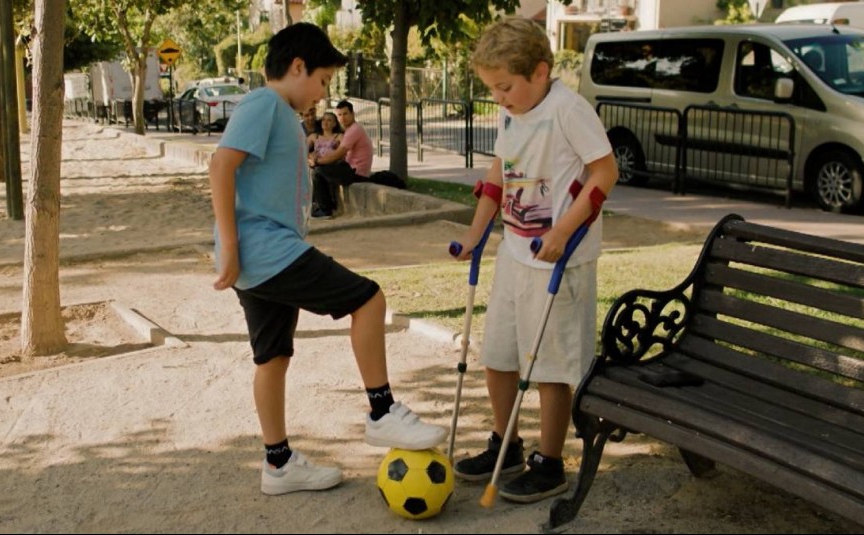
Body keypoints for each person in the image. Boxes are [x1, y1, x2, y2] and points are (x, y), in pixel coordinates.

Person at [208, 22, 447, 497]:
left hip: (262, 255)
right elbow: (220, 165)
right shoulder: (264, 104)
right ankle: (382, 412)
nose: (322, 94)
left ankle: (278, 465)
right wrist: (231, 244)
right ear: (297, 67)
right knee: (369, 300)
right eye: (321, 81)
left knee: (272, 356)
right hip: (266, 249)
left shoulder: (277, 111)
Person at [450, 17, 618, 504]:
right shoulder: (513, 112)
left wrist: (564, 231)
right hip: (515, 255)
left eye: (504, 87)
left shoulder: (569, 109)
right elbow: (498, 175)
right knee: (499, 356)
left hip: (560, 262)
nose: (498, 97)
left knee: (548, 366)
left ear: (540, 72)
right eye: (492, 89)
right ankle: (507, 445)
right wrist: (474, 235)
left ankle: (550, 462)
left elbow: (605, 171)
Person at [310, 99, 373, 218]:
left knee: (318, 172)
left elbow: (338, 154)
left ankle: (326, 210)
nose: (342, 118)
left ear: (353, 114)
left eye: (345, 114)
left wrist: (316, 161)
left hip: (357, 173)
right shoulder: (349, 130)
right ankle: (325, 205)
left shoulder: (355, 130)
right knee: (322, 169)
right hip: (350, 168)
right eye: (339, 115)